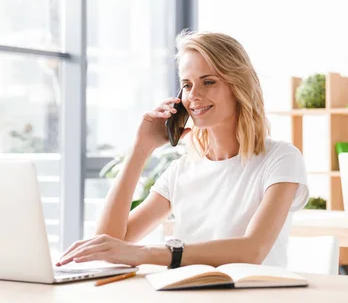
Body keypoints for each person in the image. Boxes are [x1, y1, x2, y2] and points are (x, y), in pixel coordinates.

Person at [56, 31, 309, 269]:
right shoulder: (182, 170)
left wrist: (148, 254)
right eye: (187, 85)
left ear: (238, 86)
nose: (194, 95)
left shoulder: (281, 159)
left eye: (208, 82)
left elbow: (253, 250)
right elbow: (109, 242)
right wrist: (140, 149)